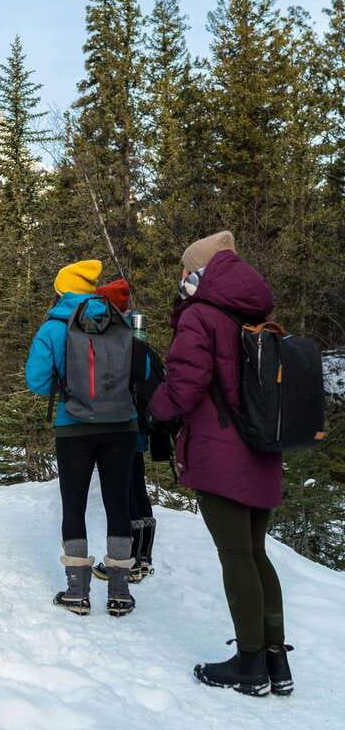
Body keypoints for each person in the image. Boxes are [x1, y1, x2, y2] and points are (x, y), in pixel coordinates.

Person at [148, 231, 292, 697]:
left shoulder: (202, 316)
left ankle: (249, 664)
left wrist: (156, 409)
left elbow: (186, 384)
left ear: (201, 272)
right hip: (263, 449)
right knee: (255, 553)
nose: (182, 280)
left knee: (236, 557)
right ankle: (275, 662)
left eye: (186, 272)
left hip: (221, 452)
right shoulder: (257, 315)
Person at [25, 260, 138, 617]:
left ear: (61, 289)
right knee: (118, 504)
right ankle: (120, 592)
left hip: (73, 426)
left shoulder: (54, 325)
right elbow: (142, 370)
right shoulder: (119, 318)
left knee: (73, 504)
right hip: (122, 424)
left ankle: (78, 591)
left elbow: (37, 381)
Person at [90, 278, 157, 584]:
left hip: (123, 422)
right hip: (141, 424)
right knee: (136, 489)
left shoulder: (119, 336)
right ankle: (143, 559)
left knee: (124, 492)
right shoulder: (137, 334)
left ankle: (128, 562)